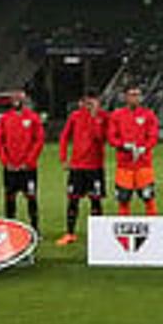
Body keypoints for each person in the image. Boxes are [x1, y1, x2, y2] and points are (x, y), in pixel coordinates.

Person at [57, 93, 109, 244]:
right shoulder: (75, 116)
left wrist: (94, 118)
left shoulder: (103, 117)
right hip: (77, 166)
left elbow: (101, 138)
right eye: (87, 101)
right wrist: (63, 158)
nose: (89, 104)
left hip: (95, 166)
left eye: (92, 101)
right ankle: (70, 233)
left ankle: (98, 235)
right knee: (73, 200)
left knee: (96, 201)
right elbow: (64, 137)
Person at [0, 92, 45, 229]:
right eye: (14, 99)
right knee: (9, 198)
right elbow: (1, 142)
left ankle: (35, 228)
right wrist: (6, 162)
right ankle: (10, 227)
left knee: (31, 196)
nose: (16, 101)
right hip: (10, 168)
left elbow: (39, 141)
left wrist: (29, 162)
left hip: (28, 169)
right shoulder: (5, 118)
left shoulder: (33, 118)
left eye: (19, 99)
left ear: (24, 100)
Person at [108, 87, 160, 216]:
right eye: (131, 95)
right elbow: (111, 137)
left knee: (149, 199)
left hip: (144, 165)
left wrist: (144, 147)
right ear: (125, 97)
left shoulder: (148, 115)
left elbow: (153, 136)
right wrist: (123, 145)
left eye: (137, 95)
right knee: (123, 200)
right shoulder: (117, 115)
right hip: (124, 166)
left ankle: (153, 230)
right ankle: (124, 235)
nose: (135, 98)